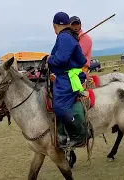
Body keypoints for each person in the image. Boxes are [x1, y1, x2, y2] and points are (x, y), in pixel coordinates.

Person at [47, 12, 87, 147]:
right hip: (68, 75)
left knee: (59, 107)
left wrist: (49, 59)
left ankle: (78, 135)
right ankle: (62, 135)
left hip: (67, 77)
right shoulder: (70, 36)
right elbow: (81, 59)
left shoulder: (64, 37)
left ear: (54, 25)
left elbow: (60, 59)